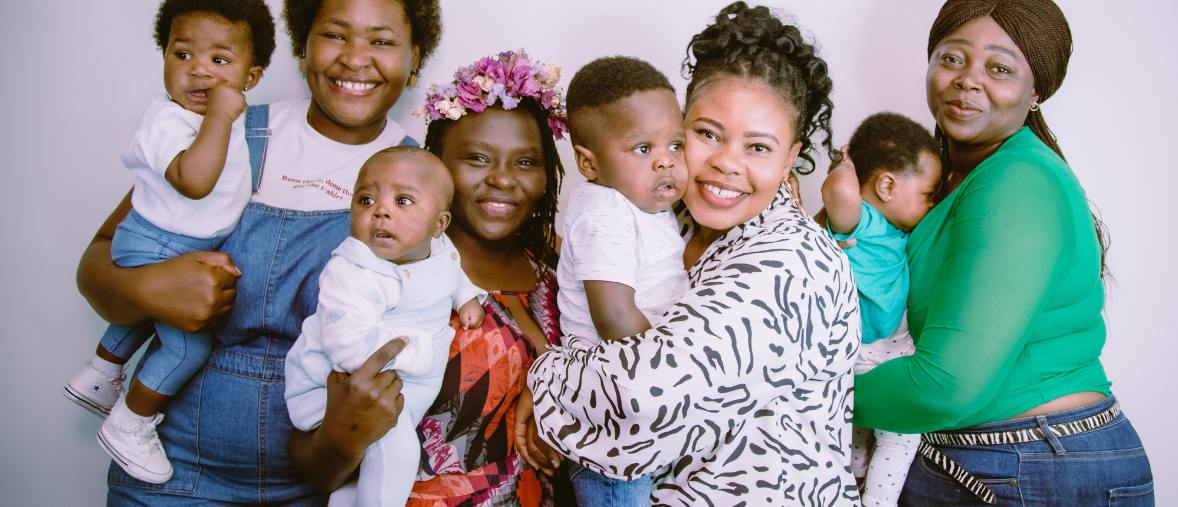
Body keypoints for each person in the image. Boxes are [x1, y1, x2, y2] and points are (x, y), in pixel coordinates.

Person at [75, 0, 442, 502]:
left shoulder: (425, 178)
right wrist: (149, 288)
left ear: (414, 57)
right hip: (171, 473)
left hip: (320, 481)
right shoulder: (220, 127)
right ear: (302, 45)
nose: (356, 59)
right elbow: (100, 260)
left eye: (381, 41)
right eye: (335, 35)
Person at [518, 3, 862, 505]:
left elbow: (645, 394)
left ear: (791, 157)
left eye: (759, 147)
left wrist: (546, 379)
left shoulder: (792, 260)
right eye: (706, 134)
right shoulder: (666, 215)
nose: (726, 163)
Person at [851, 1, 1155, 505]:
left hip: (1031, 465)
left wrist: (791, 395)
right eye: (952, 58)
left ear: (1036, 91)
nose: (968, 80)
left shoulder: (1017, 182)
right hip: (1002, 460)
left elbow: (943, 386)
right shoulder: (946, 179)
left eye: (999, 68)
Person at [291, 49, 575, 507]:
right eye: (477, 158)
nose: (503, 180)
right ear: (436, 166)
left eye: (526, 162)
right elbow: (311, 467)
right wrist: (343, 435)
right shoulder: (386, 271)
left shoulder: (557, 267)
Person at [63, 0, 275, 485]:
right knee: (186, 350)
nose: (199, 70)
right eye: (182, 55)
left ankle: (98, 375)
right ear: (163, 58)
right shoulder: (169, 122)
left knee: (148, 318)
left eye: (220, 61)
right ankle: (129, 423)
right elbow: (195, 180)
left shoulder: (229, 120)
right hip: (155, 244)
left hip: (172, 243)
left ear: (252, 76)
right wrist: (220, 116)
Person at [284, 147, 486, 507]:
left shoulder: (437, 246)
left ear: (439, 224)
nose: (381, 210)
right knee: (397, 457)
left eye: (404, 200)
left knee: (363, 476)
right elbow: (346, 343)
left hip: (399, 387)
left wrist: (466, 297)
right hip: (341, 393)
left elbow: (449, 270)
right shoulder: (354, 271)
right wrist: (419, 349)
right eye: (366, 199)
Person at [556, 56, 689, 506]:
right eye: (643, 149)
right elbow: (613, 316)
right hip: (612, 420)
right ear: (588, 164)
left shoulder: (644, 203)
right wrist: (676, 379)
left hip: (637, 403)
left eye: (676, 144)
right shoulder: (602, 211)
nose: (665, 162)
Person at [820, 112, 941, 507]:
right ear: (887, 185)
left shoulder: (898, 230)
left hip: (888, 344)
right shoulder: (860, 222)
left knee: (872, 431)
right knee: (897, 434)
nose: (932, 203)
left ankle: (858, 484)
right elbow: (838, 192)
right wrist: (846, 164)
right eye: (928, 193)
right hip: (861, 349)